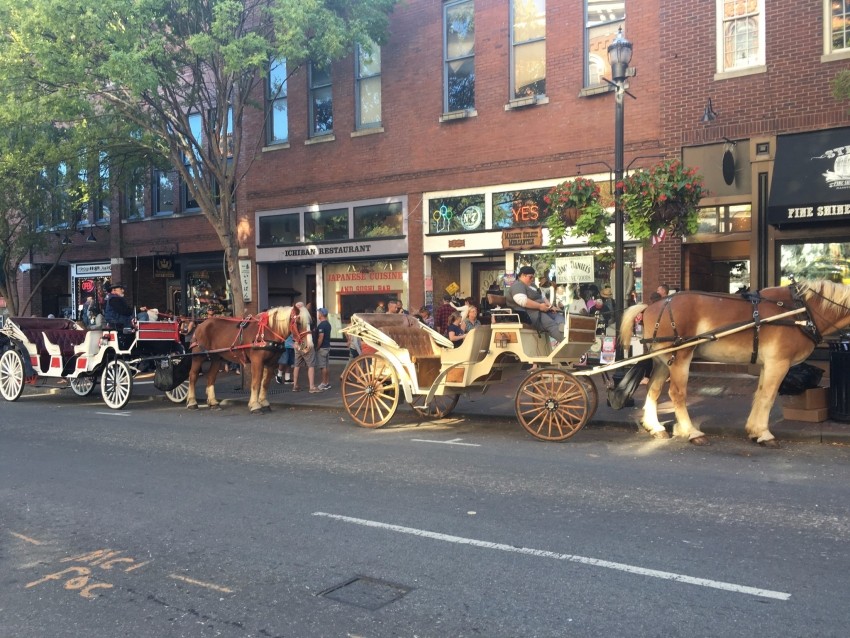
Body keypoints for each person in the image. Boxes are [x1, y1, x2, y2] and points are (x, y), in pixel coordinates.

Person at [507, 266, 565, 342]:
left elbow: (542, 296)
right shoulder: (517, 285)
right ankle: (566, 342)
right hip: (529, 313)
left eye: (533, 277)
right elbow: (522, 300)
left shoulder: (533, 286)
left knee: (558, 317)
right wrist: (540, 306)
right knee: (550, 324)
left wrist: (550, 306)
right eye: (530, 277)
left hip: (542, 310)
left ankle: (566, 332)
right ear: (523, 275)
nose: (532, 279)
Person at [291, 302, 320, 393]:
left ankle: (295, 385)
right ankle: (312, 386)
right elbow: (308, 331)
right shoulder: (305, 317)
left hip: (297, 343)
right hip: (306, 342)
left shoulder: (294, 319)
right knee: (311, 365)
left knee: (297, 365)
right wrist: (309, 344)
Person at [314, 307, 332, 391]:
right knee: (326, 366)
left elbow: (320, 338)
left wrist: (317, 347)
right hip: (327, 347)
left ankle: (324, 383)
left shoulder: (321, 325)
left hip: (322, 348)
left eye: (318, 313)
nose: (318, 314)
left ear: (321, 314)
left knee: (322, 366)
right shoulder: (328, 324)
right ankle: (327, 383)